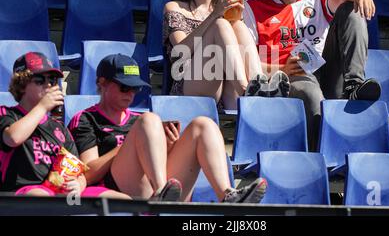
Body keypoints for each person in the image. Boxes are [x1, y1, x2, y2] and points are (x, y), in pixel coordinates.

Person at [243, 0, 381, 151]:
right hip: (289, 78)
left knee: (351, 8)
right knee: (311, 94)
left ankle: (353, 84)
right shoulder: (252, 6)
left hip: (328, 74)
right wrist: (281, 69)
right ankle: (318, 160)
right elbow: (243, 64)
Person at [68, 53, 267, 203]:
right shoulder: (86, 119)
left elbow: (155, 162)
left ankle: (227, 195)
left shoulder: (137, 119)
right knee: (148, 121)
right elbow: (88, 173)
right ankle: (161, 191)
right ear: (101, 83)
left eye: (135, 88)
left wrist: (169, 146)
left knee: (203, 125)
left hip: (155, 185)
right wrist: (131, 144)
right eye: (124, 87)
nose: (130, 94)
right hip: (116, 188)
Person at [163, 0, 290, 110]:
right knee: (221, 24)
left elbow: (244, 57)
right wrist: (215, 14)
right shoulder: (174, 7)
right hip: (190, 85)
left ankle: (257, 87)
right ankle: (248, 93)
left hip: (227, 90)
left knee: (237, 25)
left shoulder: (226, 11)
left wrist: (284, 68)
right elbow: (179, 52)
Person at [0, 52, 125, 198]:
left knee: (123, 200)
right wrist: (42, 107)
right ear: (21, 86)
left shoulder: (58, 127)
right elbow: (13, 138)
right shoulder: (7, 114)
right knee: (42, 197)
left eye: (52, 81)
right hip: (20, 192)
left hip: (59, 190)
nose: (48, 85)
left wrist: (79, 184)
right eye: (40, 80)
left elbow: (77, 168)